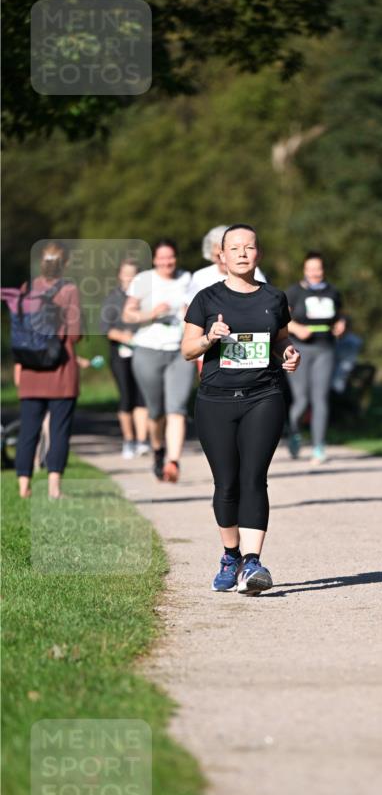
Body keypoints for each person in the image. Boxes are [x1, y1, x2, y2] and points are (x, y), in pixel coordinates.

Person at [181, 224, 300, 595]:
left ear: (258, 254)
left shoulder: (274, 297)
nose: (243, 254)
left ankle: (253, 563)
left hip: (264, 396)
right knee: (227, 483)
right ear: (222, 256)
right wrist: (208, 338)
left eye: (249, 247)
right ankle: (231, 555)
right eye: (235, 248)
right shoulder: (206, 298)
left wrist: (289, 354)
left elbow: (281, 340)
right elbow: (186, 350)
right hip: (216, 400)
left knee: (254, 478)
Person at [14, 241, 82, 500]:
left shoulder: (26, 288)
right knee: (59, 429)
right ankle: (54, 488)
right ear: (64, 263)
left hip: (31, 370)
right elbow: (74, 335)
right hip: (61, 371)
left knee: (28, 429)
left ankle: (23, 486)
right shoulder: (69, 289)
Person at [123, 240, 193, 482]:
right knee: (156, 412)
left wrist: (190, 315)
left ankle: (173, 461)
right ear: (154, 260)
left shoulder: (187, 279)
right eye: (162, 258)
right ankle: (158, 450)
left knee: (177, 409)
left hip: (179, 351)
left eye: (170, 257)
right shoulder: (144, 280)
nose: (167, 262)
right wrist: (151, 314)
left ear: (176, 258)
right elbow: (127, 314)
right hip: (148, 350)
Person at [286, 251, 345, 463]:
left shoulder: (332, 292)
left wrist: (341, 325)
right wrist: (296, 328)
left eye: (318, 269)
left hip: (325, 349)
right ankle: (293, 433)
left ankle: (319, 446)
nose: (314, 273)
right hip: (300, 349)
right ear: (304, 270)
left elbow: (339, 316)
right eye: (310, 269)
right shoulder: (293, 292)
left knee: (320, 398)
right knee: (301, 400)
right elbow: (280, 319)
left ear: (323, 270)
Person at [99, 259, 149, 459]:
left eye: (134, 273)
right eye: (126, 273)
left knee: (142, 396)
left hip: (143, 352)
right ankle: (129, 440)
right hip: (120, 354)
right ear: (120, 275)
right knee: (127, 397)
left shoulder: (144, 298)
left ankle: (142, 440)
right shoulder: (112, 299)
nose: (130, 277)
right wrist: (124, 336)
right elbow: (105, 329)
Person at [187, 225, 267, 301]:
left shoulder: (253, 272)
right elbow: (189, 307)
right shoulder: (200, 277)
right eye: (218, 256)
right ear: (211, 256)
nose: (223, 260)